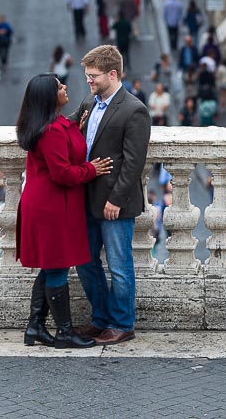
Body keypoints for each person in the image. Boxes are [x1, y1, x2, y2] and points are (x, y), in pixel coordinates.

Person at [15, 74, 113, 349]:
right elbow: (63, 173)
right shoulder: (52, 130)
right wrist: (92, 169)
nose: (65, 87)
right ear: (49, 97)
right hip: (52, 207)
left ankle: (35, 327)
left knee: (50, 267)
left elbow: (64, 149)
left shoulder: (53, 125)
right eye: (59, 87)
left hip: (48, 204)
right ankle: (64, 333)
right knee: (57, 267)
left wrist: (73, 128)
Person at [68, 45, 151, 344]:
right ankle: (100, 319)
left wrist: (115, 199)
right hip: (86, 198)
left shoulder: (134, 109)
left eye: (93, 76)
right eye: (87, 76)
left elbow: (133, 162)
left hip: (116, 203)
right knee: (86, 261)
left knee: (119, 266)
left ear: (112, 74)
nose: (89, 81)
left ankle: (122, 324)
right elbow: (66, 127)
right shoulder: (89, 102)